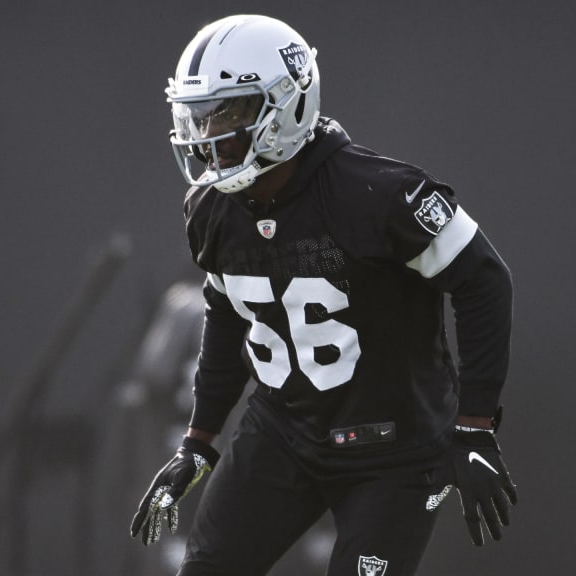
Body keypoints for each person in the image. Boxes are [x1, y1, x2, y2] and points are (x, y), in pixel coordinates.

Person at [131, 14, 518, 576]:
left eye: (228, 111)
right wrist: (199, 441)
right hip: (285, 432)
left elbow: (484, 281)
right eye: (198, 115)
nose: (206, 134)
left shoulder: (378, 194)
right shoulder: (211, 210)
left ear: (286, 104)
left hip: (394, 451)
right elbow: (229, 313)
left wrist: (475, 426)